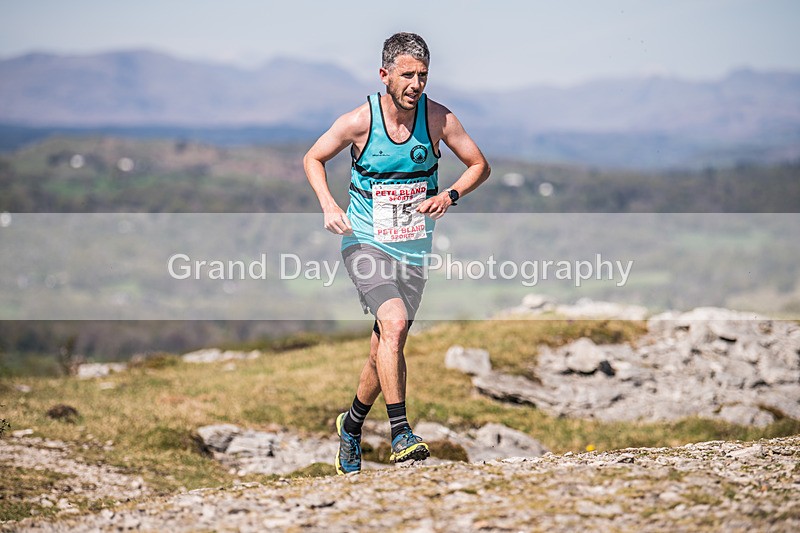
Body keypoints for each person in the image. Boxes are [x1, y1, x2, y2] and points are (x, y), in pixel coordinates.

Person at [303, 32, 490, 475]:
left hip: (413, 249)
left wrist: (451, 195)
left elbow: (479, 164)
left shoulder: (440, 119)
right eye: (407, 74)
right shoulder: (357, 121)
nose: (416, 83)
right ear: (384, 74)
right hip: (364, 241)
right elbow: (313, 158)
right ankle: (401, 433)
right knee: (394, 322)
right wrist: (330, 205)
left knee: (386, 344)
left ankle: (350, 427)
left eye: (423, 75)